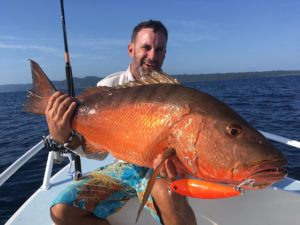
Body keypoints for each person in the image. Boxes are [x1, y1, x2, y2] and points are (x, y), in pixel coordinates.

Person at [47, 20, 197, 225]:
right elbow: (97, 153)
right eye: (146, 47)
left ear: (165, 53)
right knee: (61, 212)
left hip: (156, 169)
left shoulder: (174, 94)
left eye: (159, 49)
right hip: (121, 167)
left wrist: (178, 164)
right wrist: (64, 138)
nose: (152, 55)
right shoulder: (108, 87)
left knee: (172, 197)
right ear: (131, 49)